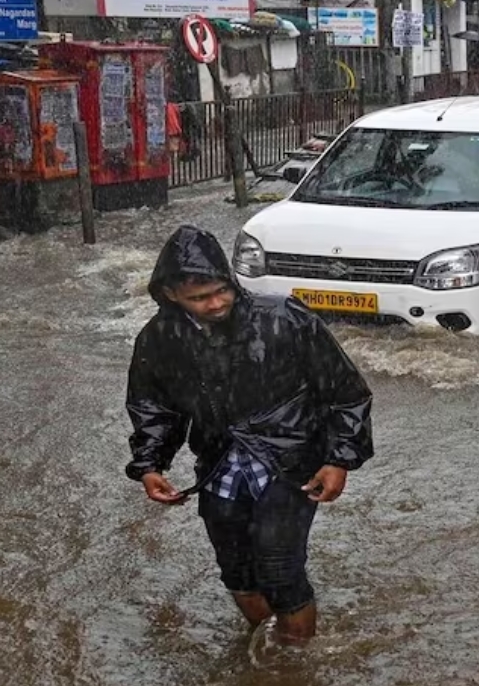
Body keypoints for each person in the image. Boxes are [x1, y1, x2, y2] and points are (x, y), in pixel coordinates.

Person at [125, 225, 374, 644]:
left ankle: (294, 662)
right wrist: (150, 464)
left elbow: (346, 393)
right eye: (200, 298)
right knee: (236, 569)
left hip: (291, 461)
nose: (216, 302)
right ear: (170, 295)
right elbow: (153, 406)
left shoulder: (285, 318)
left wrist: (338, 460)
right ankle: (268, 651)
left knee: (280, 567)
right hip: (219, 464)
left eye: (221, 289)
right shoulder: (159, 338)